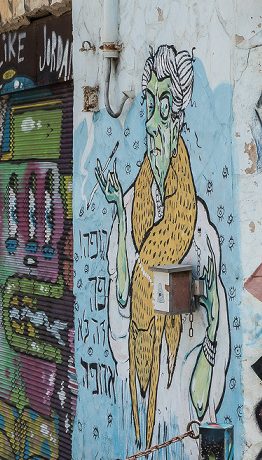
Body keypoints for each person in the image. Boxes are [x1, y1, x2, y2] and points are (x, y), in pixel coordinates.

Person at [96, 44, 229, 449]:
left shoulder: (201, 232)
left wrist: (212, 321)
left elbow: (204, 396)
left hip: (180, 428)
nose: (152, 122)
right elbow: (121, 295)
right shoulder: (134, 204)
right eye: (149, 105)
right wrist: (119, 205)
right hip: (139, 412)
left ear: (181, 117)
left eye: (165, 107)